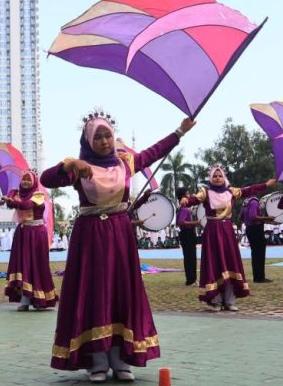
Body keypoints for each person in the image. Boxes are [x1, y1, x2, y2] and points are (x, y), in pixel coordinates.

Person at [41, 111, 195, 383]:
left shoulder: (126, 163)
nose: (103, 141)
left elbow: (155, 152)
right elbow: (46, 179)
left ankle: (121, 360)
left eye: (107, 135)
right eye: (97, 137)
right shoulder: (79, 167)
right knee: (94, 293)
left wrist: (180, 132)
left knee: (120, 292)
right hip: (89, 237)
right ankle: (98, 362)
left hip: (120, 235)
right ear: (88, 141)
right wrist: (69, 164)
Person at [184, 167, 275, 312]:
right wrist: (185, 201)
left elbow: (249, 190)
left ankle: (229, 300)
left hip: (227, 232)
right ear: (211, 178)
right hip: (212, 232)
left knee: (230, 263)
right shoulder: (205, 192)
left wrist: (266, 185)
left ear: (224, 178)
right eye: (215, 176)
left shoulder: (231, 191)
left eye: (220, 176)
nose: (218, 178)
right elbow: (193, 200)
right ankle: (215, 300)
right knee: (214, 264)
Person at [2, 170, 58, 311]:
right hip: (22, 233)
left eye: (29, 180)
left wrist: (12, 200)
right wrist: (10, 196)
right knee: (22, 265)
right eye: (23, 180)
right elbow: (10, 205)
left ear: (34, 182)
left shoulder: (38, 195)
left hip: (36, 234)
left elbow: (26, 206)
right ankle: (25, 300)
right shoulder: (17, 194)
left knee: (36, 265)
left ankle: (40, 300)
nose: (25, 182)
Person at [241, 196, 272, 283]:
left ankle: (257, 277)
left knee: (255, 253)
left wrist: (247, 222)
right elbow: (253, 216)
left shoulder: (246, 201)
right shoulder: (254, 202)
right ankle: (260, 277)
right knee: (260, 253)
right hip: (256, 229)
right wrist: (267, 218)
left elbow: (241, 217)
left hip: (249, 229)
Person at [175, 187, 200, 286]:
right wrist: (194, 223)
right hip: (188, 233)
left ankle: (190, 279)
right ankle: (191, 280)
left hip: (185, 234)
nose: (189, 194)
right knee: (191, 257)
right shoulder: (184, 209)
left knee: (188, 257)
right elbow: (181, 222)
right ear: (183, 196)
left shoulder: (181, 208)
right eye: (187, 193)